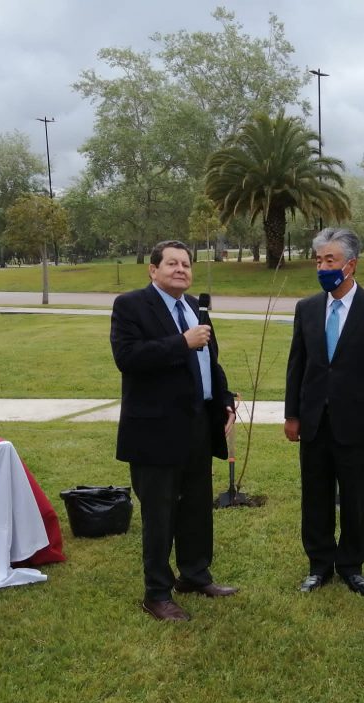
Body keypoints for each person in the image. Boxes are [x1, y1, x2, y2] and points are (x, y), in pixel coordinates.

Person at [110, 240, 238, 622]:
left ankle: (195, 576)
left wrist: (224, 400)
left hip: (196, 425)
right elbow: (128, 358)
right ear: (153, 270)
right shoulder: (131, 306)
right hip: (155, 431)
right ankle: (156, 594)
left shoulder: (195, 308)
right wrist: (182, 342)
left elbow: (210, 362)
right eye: (172, 263)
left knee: (197, 506)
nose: (181, 269)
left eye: (186, 264)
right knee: (160, 513)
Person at [284, 227, 364, 596]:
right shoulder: (306, 308)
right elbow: (296, 365)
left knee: (353, 497)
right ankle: (319, 565)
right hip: (314, 421)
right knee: (315, 496)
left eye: (329, 260)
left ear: (351, 265)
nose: (322, 267)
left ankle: (351, 565)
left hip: (356, 422)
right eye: (318, 260)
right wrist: (292, 415)